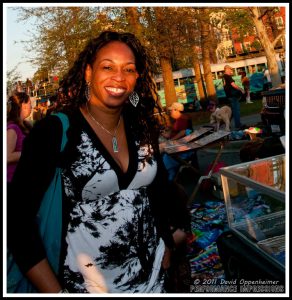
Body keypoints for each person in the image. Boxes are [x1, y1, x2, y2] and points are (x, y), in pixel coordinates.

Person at [7, 31, 180, 294]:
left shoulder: (142, 127)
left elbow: (158, 190)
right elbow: (18, 224)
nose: (119, 77)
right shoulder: (54, 132)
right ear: (88, 73)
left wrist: (166, 239)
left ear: (137, 78)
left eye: (129, 69)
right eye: (107, 66)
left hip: (153, 282)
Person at [160, 102, 193, 181]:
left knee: (160, 149)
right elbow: (173, 133)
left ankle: (168, 171)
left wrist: (171, 140)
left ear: (176, 110)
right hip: (178, 144)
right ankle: (168, 170)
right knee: (159, 147)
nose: (170, 112)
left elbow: (183, 132)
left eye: (171, 110)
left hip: (181, 146)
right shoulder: (178, 120)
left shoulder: (183, 119)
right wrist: (164, 134)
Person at [7, 92, 32, 184]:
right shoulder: (12, 128)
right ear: (23, 105)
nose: (31, 107)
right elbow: (7, 156)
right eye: (29, 103)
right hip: (12, 181)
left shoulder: (25, 124)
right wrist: (32, 152)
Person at [222, 65, 245, 130]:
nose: (231, 71)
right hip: (233, 96)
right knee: (236, 111)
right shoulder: (228, 77)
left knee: (231, 112)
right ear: (227, 69)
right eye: (230, 70)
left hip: (229, 96)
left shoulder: (223, 77)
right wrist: (241, 89)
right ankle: (238, 125)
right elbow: (233, 85)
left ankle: (226, 125)